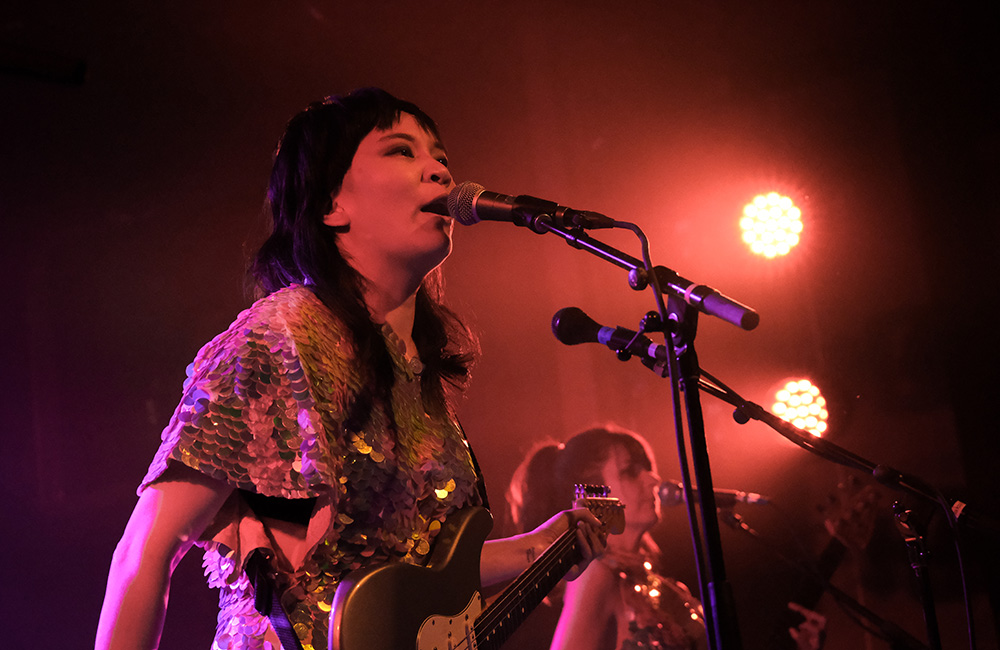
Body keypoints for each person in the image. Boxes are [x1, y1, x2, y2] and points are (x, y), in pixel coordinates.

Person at [95, 87, 605, 650]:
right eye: (401, 151)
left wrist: (537, 548)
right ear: (331, 203)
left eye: (440, 156)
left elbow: (404, 571)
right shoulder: (276, 341)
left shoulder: (416, 376)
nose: (438, 170)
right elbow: (144, 552)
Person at [508, 424, 827, 650]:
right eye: (631, 471)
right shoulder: (595, 576)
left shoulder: (664, 589)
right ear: (593, 496)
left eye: (648, 467)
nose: (654, 479)